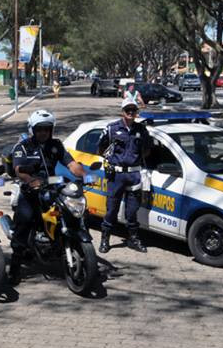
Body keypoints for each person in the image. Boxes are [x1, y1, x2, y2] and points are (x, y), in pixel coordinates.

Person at [9, 109, 86, 282]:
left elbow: (70, 163)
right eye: (39, 129)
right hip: (30, 190)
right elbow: (18, 170)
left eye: (46, 129)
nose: (43, 132)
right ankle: (15, 265)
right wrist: (30, 180)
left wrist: (84, 175)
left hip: (51, 187)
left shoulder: (56, 144)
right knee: (26, 219)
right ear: (32, 129)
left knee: (70, 211)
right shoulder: (23, 147)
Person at [97, 99, 153, 254]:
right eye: (127, 110)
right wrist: (111, 162)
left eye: (133, 110)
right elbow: (101, 148)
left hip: (134, 174)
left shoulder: (141, 129)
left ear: (136, 112)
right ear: (122, 111)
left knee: (132, 210)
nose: (130, 113)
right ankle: (105, 239)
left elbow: (147, 149)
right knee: (112, 209)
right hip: (117, 176)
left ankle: (133, 239)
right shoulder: (112, 128)